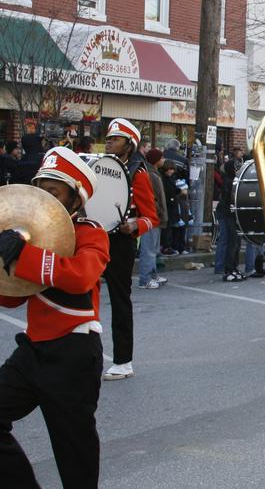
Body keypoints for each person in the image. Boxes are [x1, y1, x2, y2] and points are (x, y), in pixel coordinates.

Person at [0, 146, 109, 488]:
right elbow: (12, 298)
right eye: (40, 189)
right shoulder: (28, 234)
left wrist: (25, 253)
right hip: (33, 352)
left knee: (75, 458)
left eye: (54, 191)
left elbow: (80, 277)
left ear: (75, 199)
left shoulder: (90, 233)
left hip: (73, 354)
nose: (43, 198)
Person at [102, 118, 159, 380]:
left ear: (129, 144)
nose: (109, 141)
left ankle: (123, 361)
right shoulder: (102, 168)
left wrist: (135, 224)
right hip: (97, 237)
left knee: (119, 299)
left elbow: (152, 217)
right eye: (109, 138)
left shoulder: (139, 173)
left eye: (115, 138)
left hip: (121, 242)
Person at [137, 148, 169, 289]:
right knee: (149, 249)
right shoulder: (151, 175)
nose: (163, 160)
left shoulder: (154, 173)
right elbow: (154, 198)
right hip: (152, 217)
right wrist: (159, 212)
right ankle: (145, 279)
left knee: (153, 249)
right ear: (156, 160)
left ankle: (152, 274)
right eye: (161, 158)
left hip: (155, 216)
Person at [214, 150, 244, 281]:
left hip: (230, 213)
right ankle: (228, 268)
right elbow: (229, 199)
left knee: (235, 242)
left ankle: (232, 267)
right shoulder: (229, 181)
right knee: (230, 241)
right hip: (228, 214)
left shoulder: (232, 180)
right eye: (236, 167)